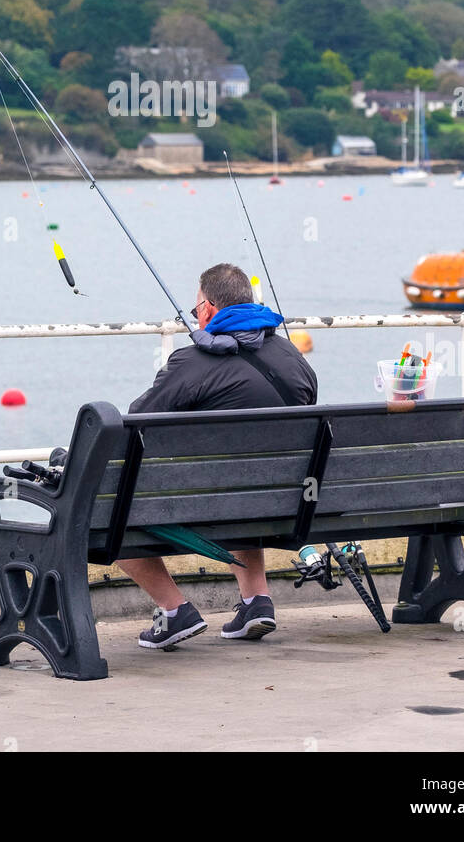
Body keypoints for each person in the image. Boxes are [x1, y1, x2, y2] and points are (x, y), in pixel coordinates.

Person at [119, 262, 317, 651]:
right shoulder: (294, 358)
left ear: (208, 310)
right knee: (245, 480)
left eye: (196, 310)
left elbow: (135, 421)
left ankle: (175, 610)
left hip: (213, 501)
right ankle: (255, 600)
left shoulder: (192, 363)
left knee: (108, 504)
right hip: (284, 500)